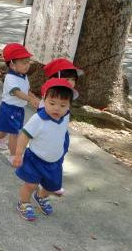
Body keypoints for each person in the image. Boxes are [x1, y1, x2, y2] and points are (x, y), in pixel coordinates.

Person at [12, 78, 77, 221]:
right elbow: (24, 135)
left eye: (62, 105)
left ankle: (41, 196)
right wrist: (18, 154)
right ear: (44, 100)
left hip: (54, 162)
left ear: (69, 106)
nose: (57, 108)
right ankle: (23, 203)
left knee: (51, 185)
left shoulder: (65, 116)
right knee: (30, 184)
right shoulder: (38, 119)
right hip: (35, 159)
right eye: (52, 103)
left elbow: (61, 134)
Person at [39, 58, 84, 196]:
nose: (71, 83)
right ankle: (44, 181)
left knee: (59, 157)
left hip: (61, 134)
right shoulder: (48, 99)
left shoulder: (68, 95)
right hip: (49, 136)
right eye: (67, 78)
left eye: (73, 79)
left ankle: (53, 182)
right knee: (46, 159)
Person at [0, 43, 40, 163]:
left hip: (18, 109)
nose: (27, 65)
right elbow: (17, 92)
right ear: (12, 65)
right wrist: (30, 100)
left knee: (7, 128)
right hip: (9, 108)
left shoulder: (23, 76)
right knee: (14, 133)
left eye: (28, 61)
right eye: (24, 62)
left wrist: (33, 97)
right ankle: (13, 155)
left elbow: (26, 90)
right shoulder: (10, 78)